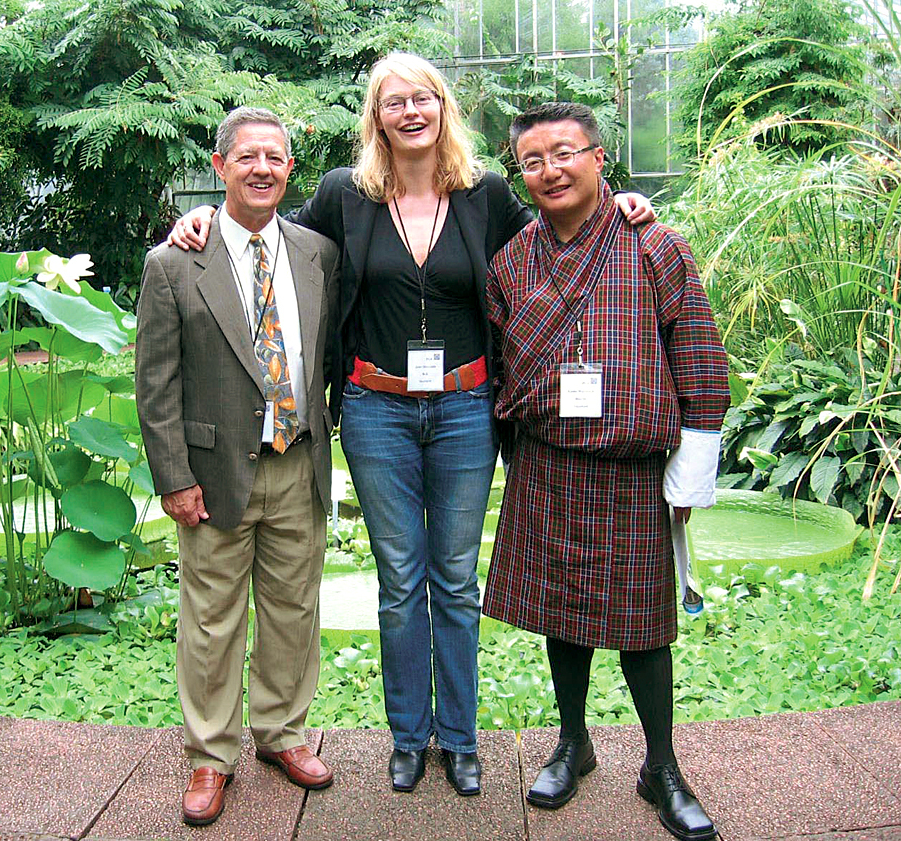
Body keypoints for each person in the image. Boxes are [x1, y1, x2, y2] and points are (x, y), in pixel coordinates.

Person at [166, 53, 655, 796]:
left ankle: (458, 739)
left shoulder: (485, 194)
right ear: (376, 115)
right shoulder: (344, 194)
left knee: (454, 579)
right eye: (394, 101)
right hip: (375, 409)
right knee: (400, 581)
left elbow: (564, 230)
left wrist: (621, 201)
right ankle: (408, 737)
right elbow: (266, 243)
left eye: (422, 97)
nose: (410, 111)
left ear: (442, 107)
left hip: (463, 408)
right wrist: (201, 214)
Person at [484, 101, 729, 841]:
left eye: (564, 153)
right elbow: (499, 368)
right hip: (547, 462)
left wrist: (688, 478)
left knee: (643, 624)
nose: (549, 170)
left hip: (629, 469)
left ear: (598, 158)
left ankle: (663, 766)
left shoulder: (654, 244)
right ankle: (573, 742)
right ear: (519, 173)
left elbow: (698, 357)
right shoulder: (511, 261)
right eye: (532, 160)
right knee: (562, 613)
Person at [135, 106, 340, 827]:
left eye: (275, 158)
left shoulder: (318, 254)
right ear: (219, 168)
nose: (262, 168)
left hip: (297, 462)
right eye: (247, 156)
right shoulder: (173, 262)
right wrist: (172, 477)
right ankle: (209, 755)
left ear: (290, 170)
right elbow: (155, 382)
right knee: (211, 620)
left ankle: (282, 732)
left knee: (293, 611)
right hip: (214, 471)